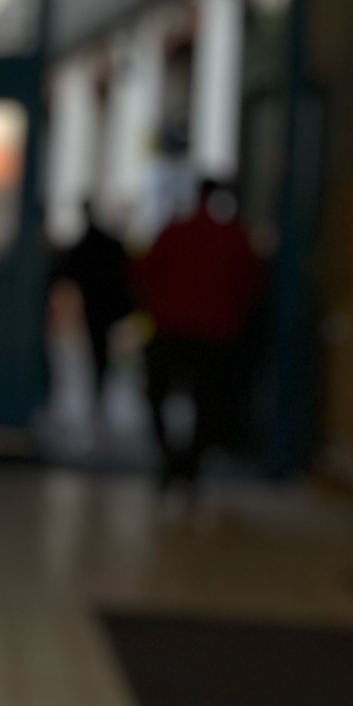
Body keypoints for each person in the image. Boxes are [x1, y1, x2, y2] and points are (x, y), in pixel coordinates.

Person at [133, 178, 266, 490]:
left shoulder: (175, 231)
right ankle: (190, 464)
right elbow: (251, 283)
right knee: (209, 402)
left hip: (171, 329)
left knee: (156, 394)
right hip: (216, 334)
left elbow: (144, 274)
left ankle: (170, 459)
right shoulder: (234, 236)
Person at [53, 201, 134, 411]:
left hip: (95, 305)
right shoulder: (108, 244)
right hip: (107, 305)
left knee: (98, 348)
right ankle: (101, 387)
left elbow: (66, 271)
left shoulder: (85, 246)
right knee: (103, 349)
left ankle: (100, 388)